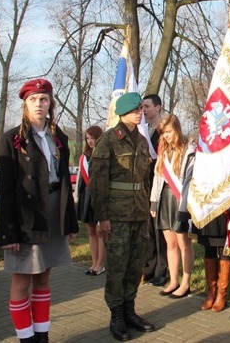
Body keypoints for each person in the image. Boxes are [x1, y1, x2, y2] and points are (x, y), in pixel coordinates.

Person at [0, 78, 78, 343]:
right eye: (33, 99)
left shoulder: (58, 137)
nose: (39, 104)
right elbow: (6, 190)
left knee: (44, 276)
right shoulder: (12, 139)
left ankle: (42, 335)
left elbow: (64, 182)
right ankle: (26, 338)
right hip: (26, 216)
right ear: (25, 104)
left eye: (44, 99)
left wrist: (69, 221)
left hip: (53, 211)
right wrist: (8, 233)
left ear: (50, 103)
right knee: (22, 280)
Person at [90, 92, 155, 341]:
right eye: (136, 109)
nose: (140, 112)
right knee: (117, 266)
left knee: (135, 264)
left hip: (139, 213)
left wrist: (147, 209)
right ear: (123, 112)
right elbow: (98, 183)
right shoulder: (108, 141)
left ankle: (130, 310)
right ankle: (116, 315)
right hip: (116, 215)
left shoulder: (141, 140)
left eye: (141, 109)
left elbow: (144, 180)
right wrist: (102, 217)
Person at [150, 115, 196, 299]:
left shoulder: (189, 149)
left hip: (181, 200)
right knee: (170, 244)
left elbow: (190, 179)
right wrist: (154, 201)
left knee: (184, 243)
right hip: (165, 199)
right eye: (163, 133)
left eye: (168, 132)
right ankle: (173, 280)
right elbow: (157, 177)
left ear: (177, 129)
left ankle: (186, 282)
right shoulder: (163, 151)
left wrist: (187, 205)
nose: (166, 136)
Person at [142, 94, 168, 287]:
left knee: (159, 230)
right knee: (148, 229)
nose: (144, 110)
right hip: (145, 184)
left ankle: (162, 270)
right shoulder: (144, 130)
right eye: (142, 107)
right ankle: (149, 267)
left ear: (158, 107)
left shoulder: (165, 130)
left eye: (147, 106)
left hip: (161, 184)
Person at [76, 125, 105, 276]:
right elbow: (81, 181)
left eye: (92, 138)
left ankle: (100, 264)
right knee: (91, 231)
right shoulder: (83, 157)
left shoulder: (104, 154)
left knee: (101, 232)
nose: (90, 141)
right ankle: (93, 263)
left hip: (99, 197)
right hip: (87, 197)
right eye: (87, 138)